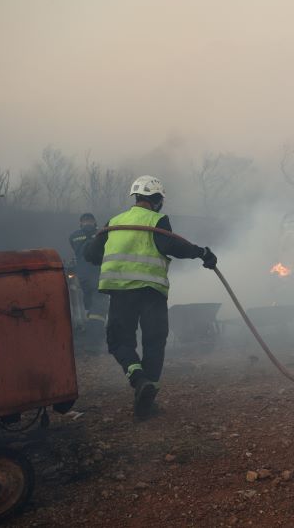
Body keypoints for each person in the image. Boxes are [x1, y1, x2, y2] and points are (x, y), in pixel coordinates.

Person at [84, 175, 218, 419]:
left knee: (120, 342)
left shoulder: (113, 222)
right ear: (157, 200)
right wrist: (202, 254)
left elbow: (92, 254)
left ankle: (138, 379)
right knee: (154, 342)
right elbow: (172, 246)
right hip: (151, 292)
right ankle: (147, 396)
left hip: (121, 293)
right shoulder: (158, 220)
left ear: (136, 197)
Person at [69, 213, 108, 347]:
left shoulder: (73, 236)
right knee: (100, 304)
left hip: (82, 276)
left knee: (88, 303)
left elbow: (77, 250)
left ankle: (87, 330)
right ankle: (95, 338)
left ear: (81, 223)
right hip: (98, 273)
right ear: (94, 221)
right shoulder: (100, 233)